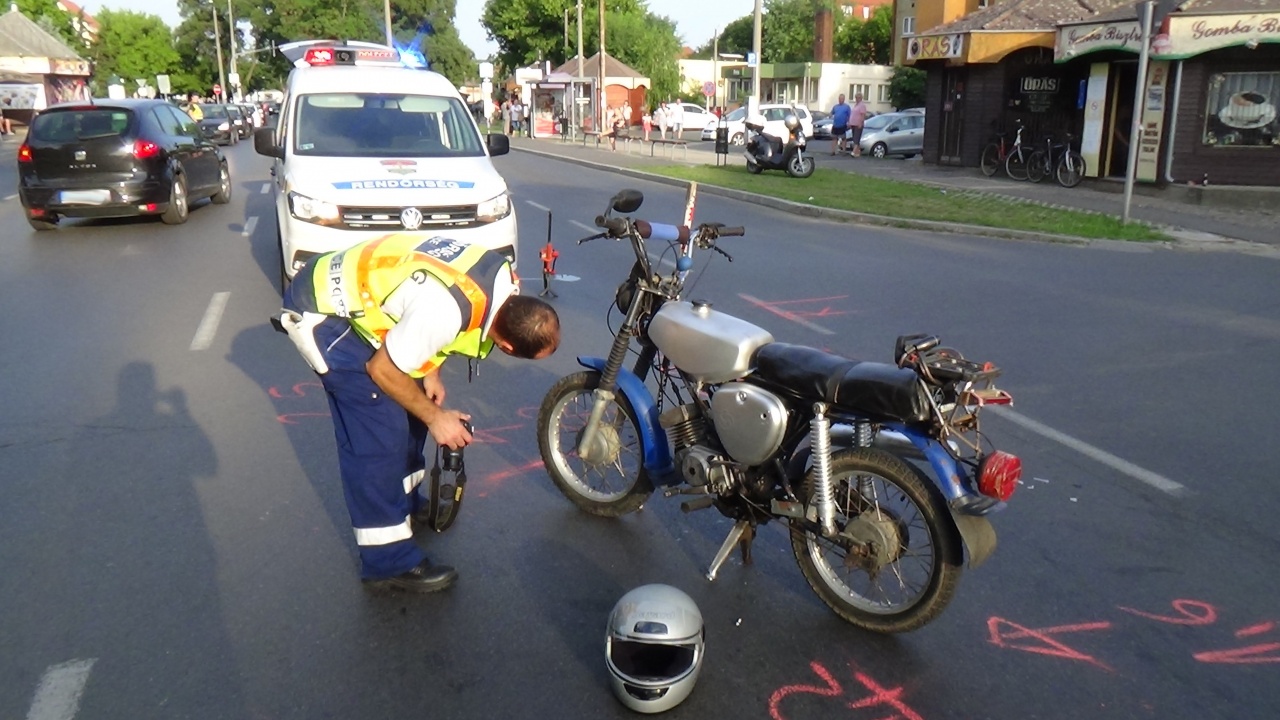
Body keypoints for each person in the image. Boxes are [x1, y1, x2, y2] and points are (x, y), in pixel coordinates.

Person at [279, 234, 561, 593]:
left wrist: (431, 371)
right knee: (378, 433)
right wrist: (436, 417)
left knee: (411, 410)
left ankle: (407, 502)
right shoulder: (443, 312)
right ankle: (386, 562)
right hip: (323, 311)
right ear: (506, 345)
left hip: (364, 292)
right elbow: (383, 370)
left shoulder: (501, 279)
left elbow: (439, 323)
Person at [848, 93, 868, 157]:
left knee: (856, 138)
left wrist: (860, 123)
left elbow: (863, 115)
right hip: (853, 124)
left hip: (858, 124)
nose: (857, 99)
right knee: (854, 138)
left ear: (861, 98)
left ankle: (853, 152)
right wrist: (850, 122)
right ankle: (858, 152)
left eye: (858, 97)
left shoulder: (862, 105)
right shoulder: (856, 105)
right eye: (856, 97)